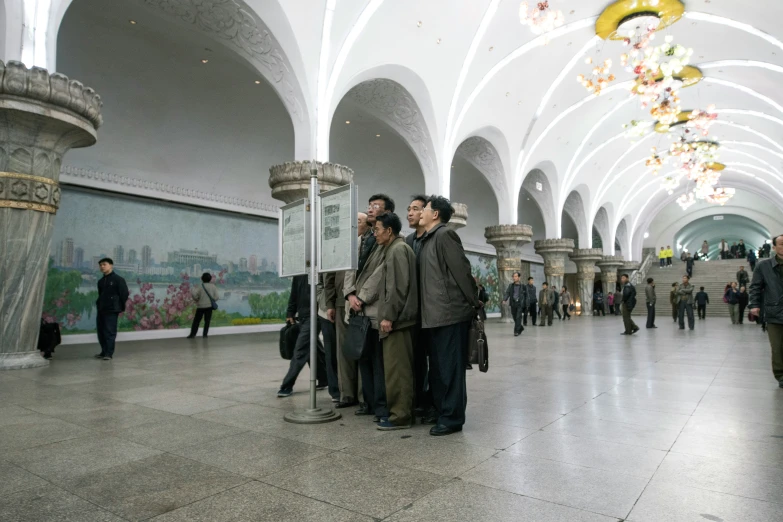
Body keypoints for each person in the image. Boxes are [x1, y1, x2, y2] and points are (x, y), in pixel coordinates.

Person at [418, 195, 478, 436]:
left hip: (449, 314)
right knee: (441, 369)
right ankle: (444, 411)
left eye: (425, 208)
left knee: (451, 369)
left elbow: (462, 271)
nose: (421, 211)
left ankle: (453, 418)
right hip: (434, 315)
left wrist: (473, 302)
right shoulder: (427, 240)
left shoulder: (445, 235)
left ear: (435, 215)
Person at [373, 213, 418, 430]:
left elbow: (397, 287)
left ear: (389, 231)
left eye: (377, 229)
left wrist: (388, 316)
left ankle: (400, 416)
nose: (375, 234)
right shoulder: (395, 249)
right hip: (399, 320)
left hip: (398, 322)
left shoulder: (398, 250)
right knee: (396, 369)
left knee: (398, 370)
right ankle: (399, 412)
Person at [345, 218, 389, 421]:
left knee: (378, 363)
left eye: (376, 206)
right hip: (357, 309)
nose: (372, 208)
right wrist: (350, 295)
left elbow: (379, 275)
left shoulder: (386, 244)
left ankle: (381, 407)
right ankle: (369, 403)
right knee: (363, 359)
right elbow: (349, 270)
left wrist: (361, 297)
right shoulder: (357, 243)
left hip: (372, 309)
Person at [327, 212, 368, 409]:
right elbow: (330, 277)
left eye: (359, 221)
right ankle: (346, 394)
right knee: (343, 350)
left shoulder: (368, 245)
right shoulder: (341, 247)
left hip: (361, 304)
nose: (355, 225)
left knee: (359, 348)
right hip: (341, 303)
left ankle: (362, 396)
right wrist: (329, 304)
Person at [277, 275, 328, 397]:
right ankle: (324, 378)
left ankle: (287, 385)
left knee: (300, 349)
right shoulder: (299, 271)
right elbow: (294, 292)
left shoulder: (319, 268)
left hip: (316, 315)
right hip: (303, 316)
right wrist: (290, 312)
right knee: (314, 347)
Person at [405, 196, 431, 417]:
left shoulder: (435, 238)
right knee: (416, 359)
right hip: (413, 312)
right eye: (409, 209)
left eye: (415, 209)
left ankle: (433, 402)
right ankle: (419, 400)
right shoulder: (408, 241)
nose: (410, 213)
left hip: (433, 311)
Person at [749, 234, 783, 388]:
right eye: (781, 244)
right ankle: (781, 375)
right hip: (774, 312)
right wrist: (754, 305)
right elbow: (755, 287)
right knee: (777, 347)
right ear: (774, 247)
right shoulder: (763, 266)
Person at [94, 258, 129, 360]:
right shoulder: (101, 281)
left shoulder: (118, 279)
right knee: (101, 331)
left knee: (110, 331)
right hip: (101, 309)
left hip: (112, 310)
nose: (102, 267)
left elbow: (124, 294)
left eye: (104, 264)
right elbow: (100, 295)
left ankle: (109, 353)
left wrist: (118, 305)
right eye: (100, 265)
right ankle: (103, 351)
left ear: (111, 265)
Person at [316, 274, 340, 403]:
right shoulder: (322, 257)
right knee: (330, 353)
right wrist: (322, 299)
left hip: (344, 308)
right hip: (325, 312)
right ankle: (335, 390)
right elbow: (318, 281)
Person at [188, 272, 219, 339]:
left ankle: (192, 334)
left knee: (196, 321)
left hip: (200, 307)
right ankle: (205, 335)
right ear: (210, 279)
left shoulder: (200, 286)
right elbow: (216, 297)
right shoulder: (213, 286)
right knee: (207, 321)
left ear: (202, 279)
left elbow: (195, 296)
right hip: (209, 307)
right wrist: (212, 300)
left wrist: (195, 296)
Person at [502, 271, 526, 336]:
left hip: (520, 304)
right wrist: (504, 299)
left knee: (518, 317)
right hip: (513, 303)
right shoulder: (511, 286)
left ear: (519, 277)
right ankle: (520, 327)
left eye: (516, 276)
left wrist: (526, 304)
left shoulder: (523, 286)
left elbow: (527, 296)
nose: (514, 278)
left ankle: (516, 331)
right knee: (515, 317)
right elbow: (507, 293)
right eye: (513, 276)